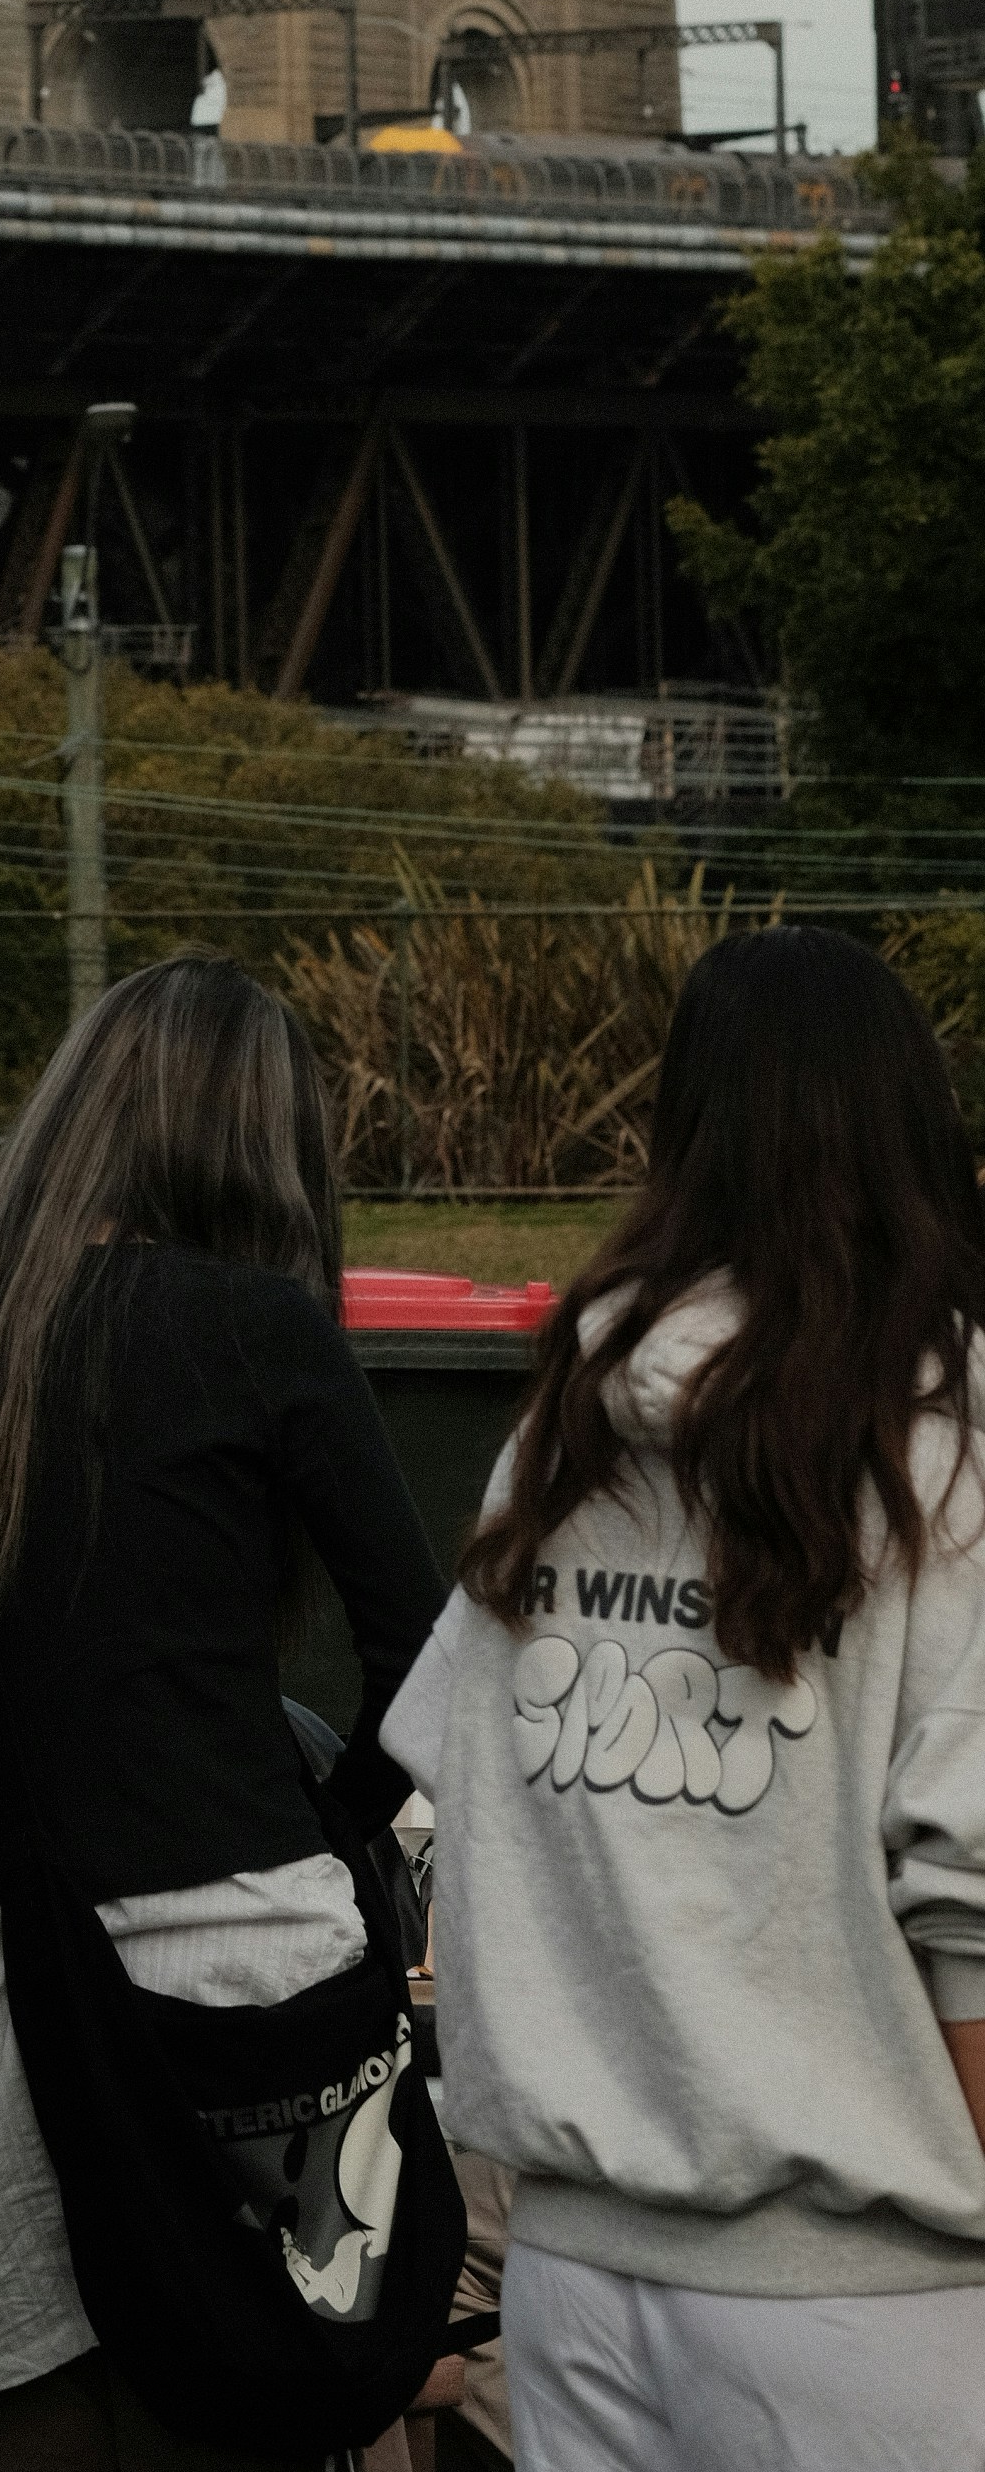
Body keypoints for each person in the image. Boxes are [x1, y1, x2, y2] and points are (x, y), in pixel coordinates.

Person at [0, 956, 452, 2472]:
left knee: (20, 2422)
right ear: (253, 1146)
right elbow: (423, 1652)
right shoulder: (259, 1331)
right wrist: (320, 1821)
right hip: (242, 1937)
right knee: (251, 2389)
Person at [388, 925, 985, 2472]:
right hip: (867, 2296)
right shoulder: (941, 1448)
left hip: (579, 2281)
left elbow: (453, 1765)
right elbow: (973, 1908)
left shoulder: (564, 1433)